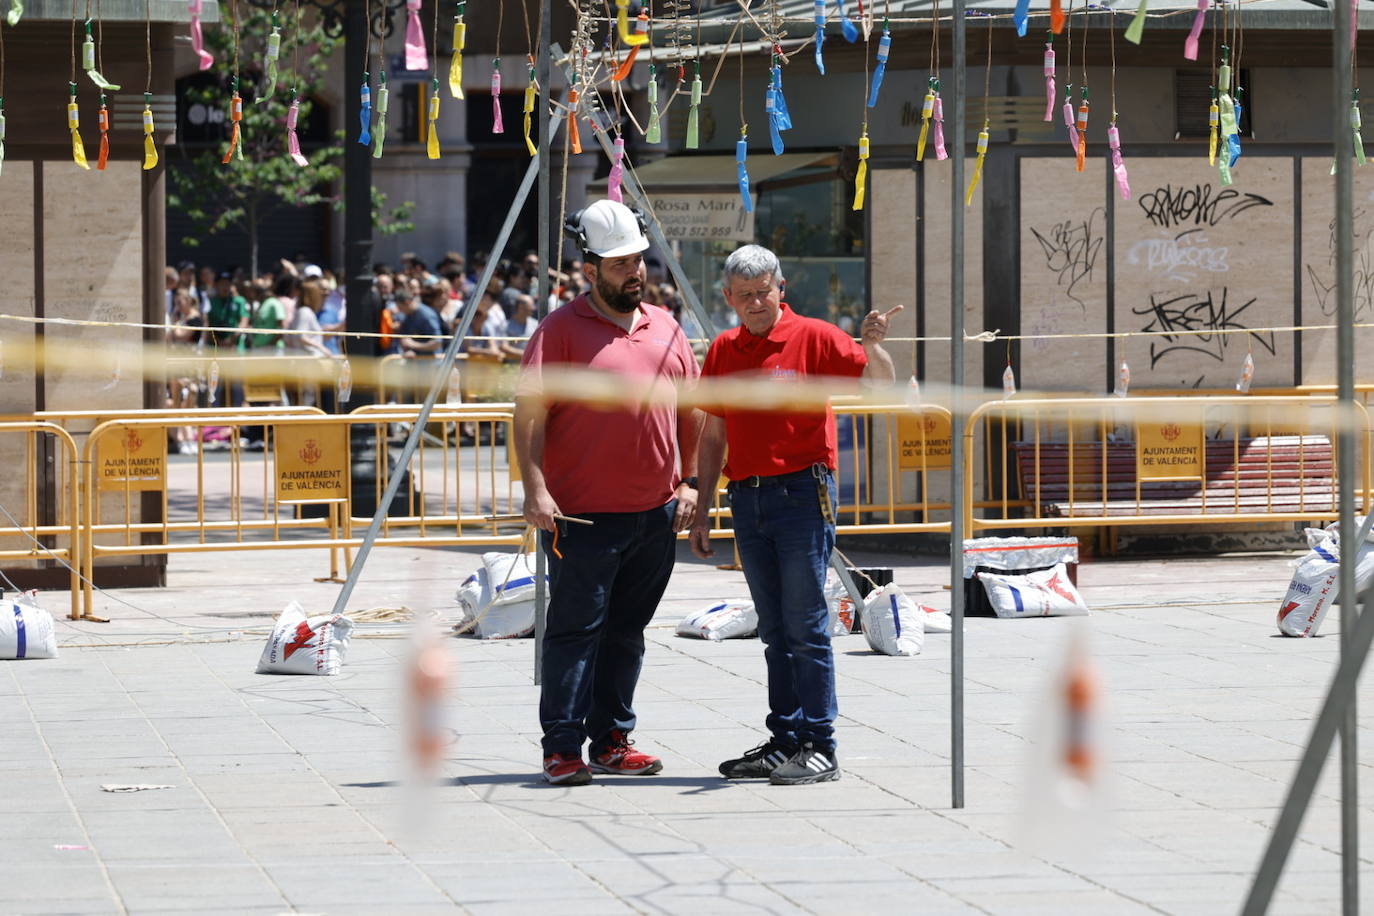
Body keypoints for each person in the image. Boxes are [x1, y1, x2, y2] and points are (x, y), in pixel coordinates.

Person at [688, 244, 901, 786]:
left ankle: (820, 745)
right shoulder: (724, 350)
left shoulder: (816, 335)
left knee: (806, 627)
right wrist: (702, 505)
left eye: (765, 292)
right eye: (745, 296)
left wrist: (873, 346)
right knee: (774, 629)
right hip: (748, 498)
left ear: (781, 288)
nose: (757, 303)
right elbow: (713, 433)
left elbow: (880, 386)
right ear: (728, 299)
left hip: (803, 495)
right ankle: (785, 739)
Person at [515, 199, 703, 786]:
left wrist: (692, 482)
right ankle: (563, 747)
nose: (635, 272)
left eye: (639, 260)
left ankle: (613, 740)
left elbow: (692, 411)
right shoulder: (559, 332)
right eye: (621, 263)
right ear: (590, 268)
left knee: (627, 633)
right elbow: (528, 417)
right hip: (583, 518)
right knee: (576, 632)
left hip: (656, 513)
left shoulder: (667, 326)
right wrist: (535, 490)